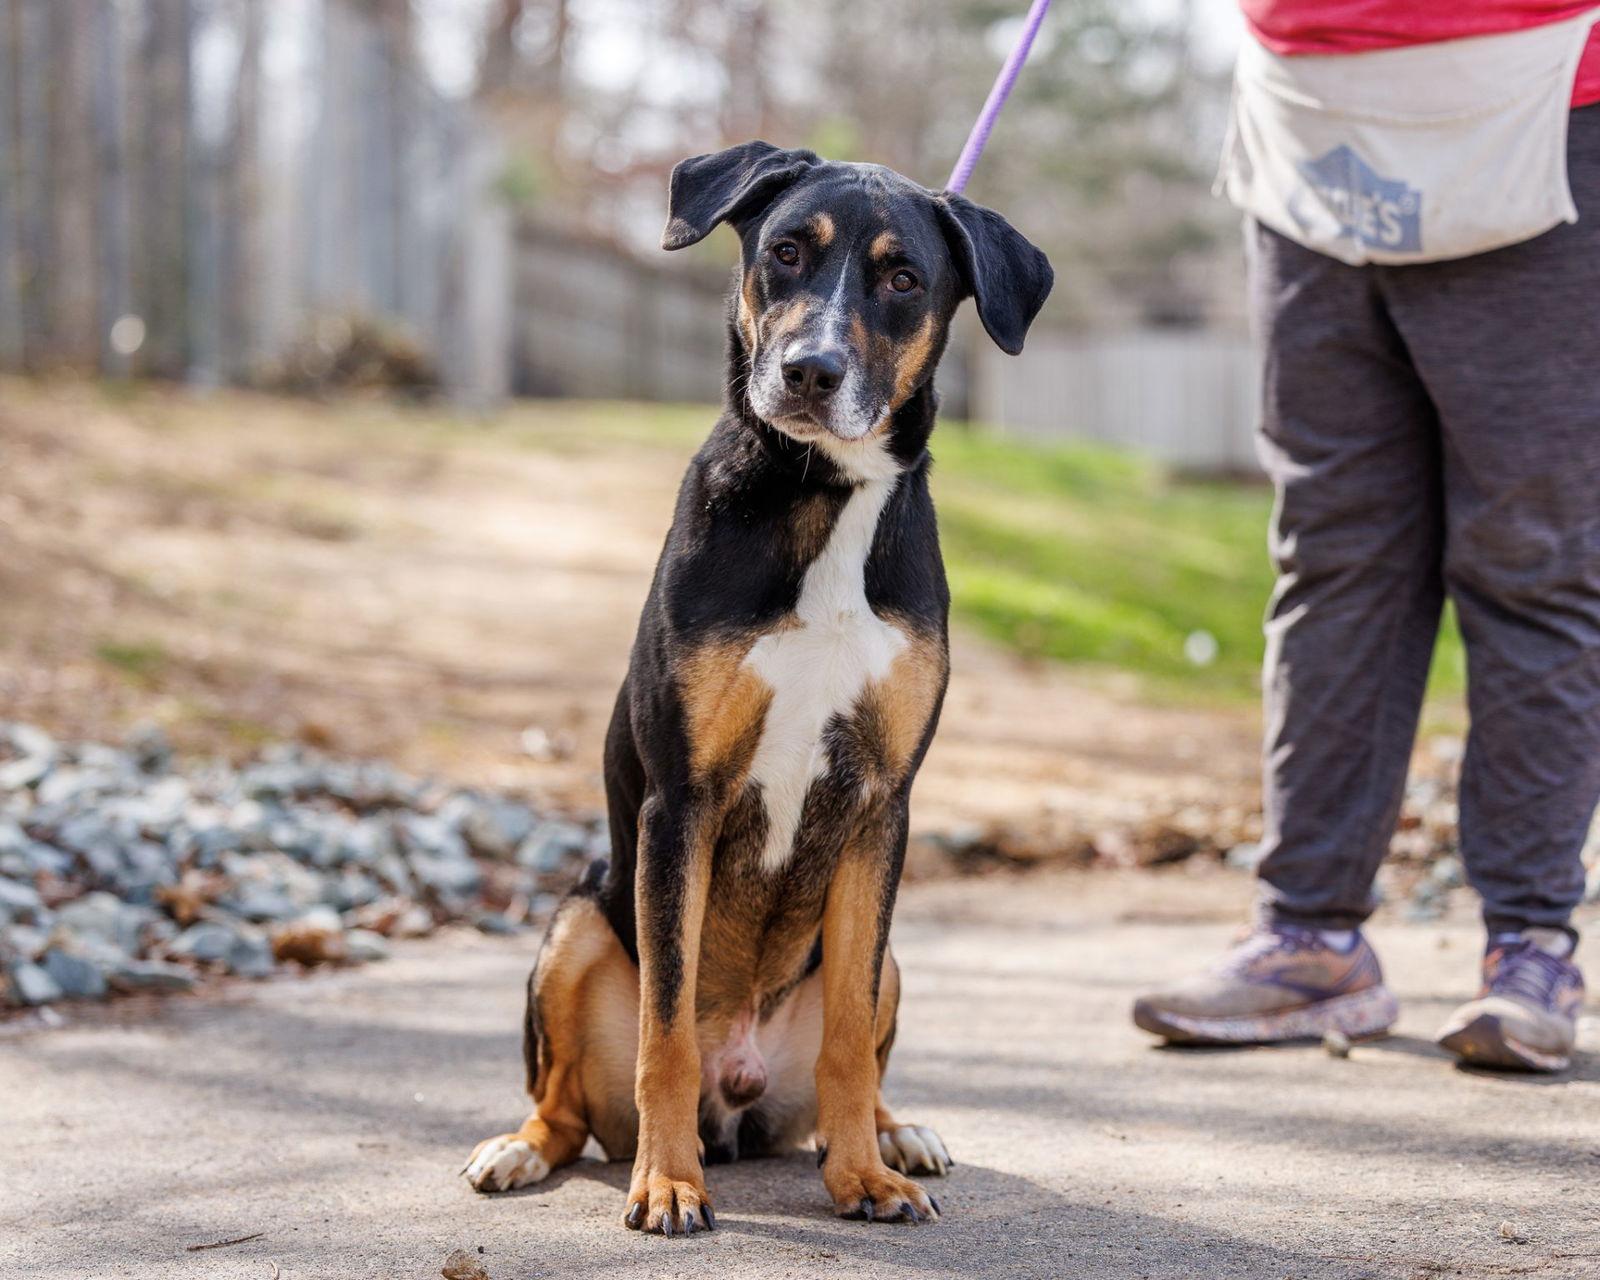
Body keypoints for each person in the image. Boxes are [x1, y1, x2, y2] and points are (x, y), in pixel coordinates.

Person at [1132, 0, 1599, 1071]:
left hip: (1537, 91)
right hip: (1307, 100)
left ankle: (1529, 946)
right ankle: (1308, 938)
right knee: (1332, 550)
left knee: (1532, 552)